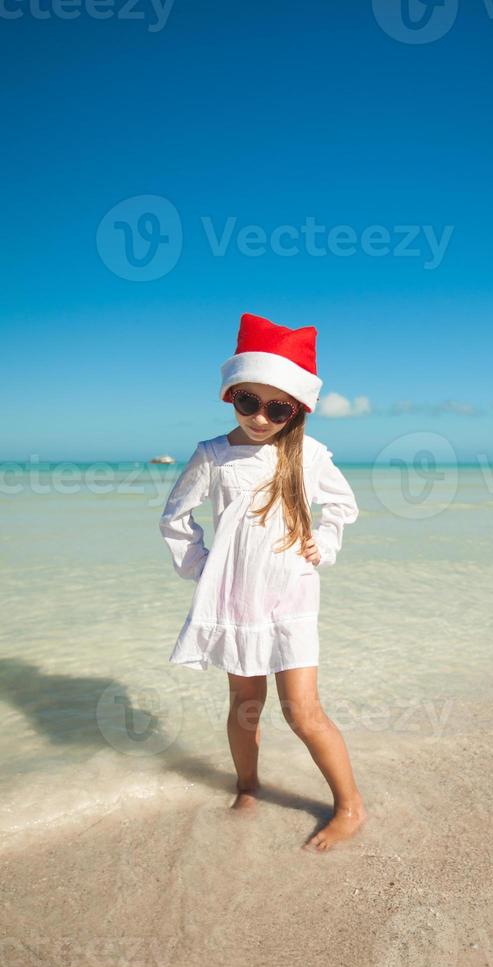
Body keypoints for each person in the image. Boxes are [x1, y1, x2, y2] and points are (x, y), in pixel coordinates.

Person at [159, 312, 367, 851]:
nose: (260, 417)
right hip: (236, 599)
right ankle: (248, 786)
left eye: (278, 408)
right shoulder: (213, 454)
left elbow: (343, 505)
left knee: (302, 710)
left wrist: (326, 543)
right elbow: (175, 518)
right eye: (248, 401)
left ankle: (350, 806)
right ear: (231, 393)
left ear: (297, 408)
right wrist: (202, 567)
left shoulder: (308, 455)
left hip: (292, 595)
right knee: (244, 704)